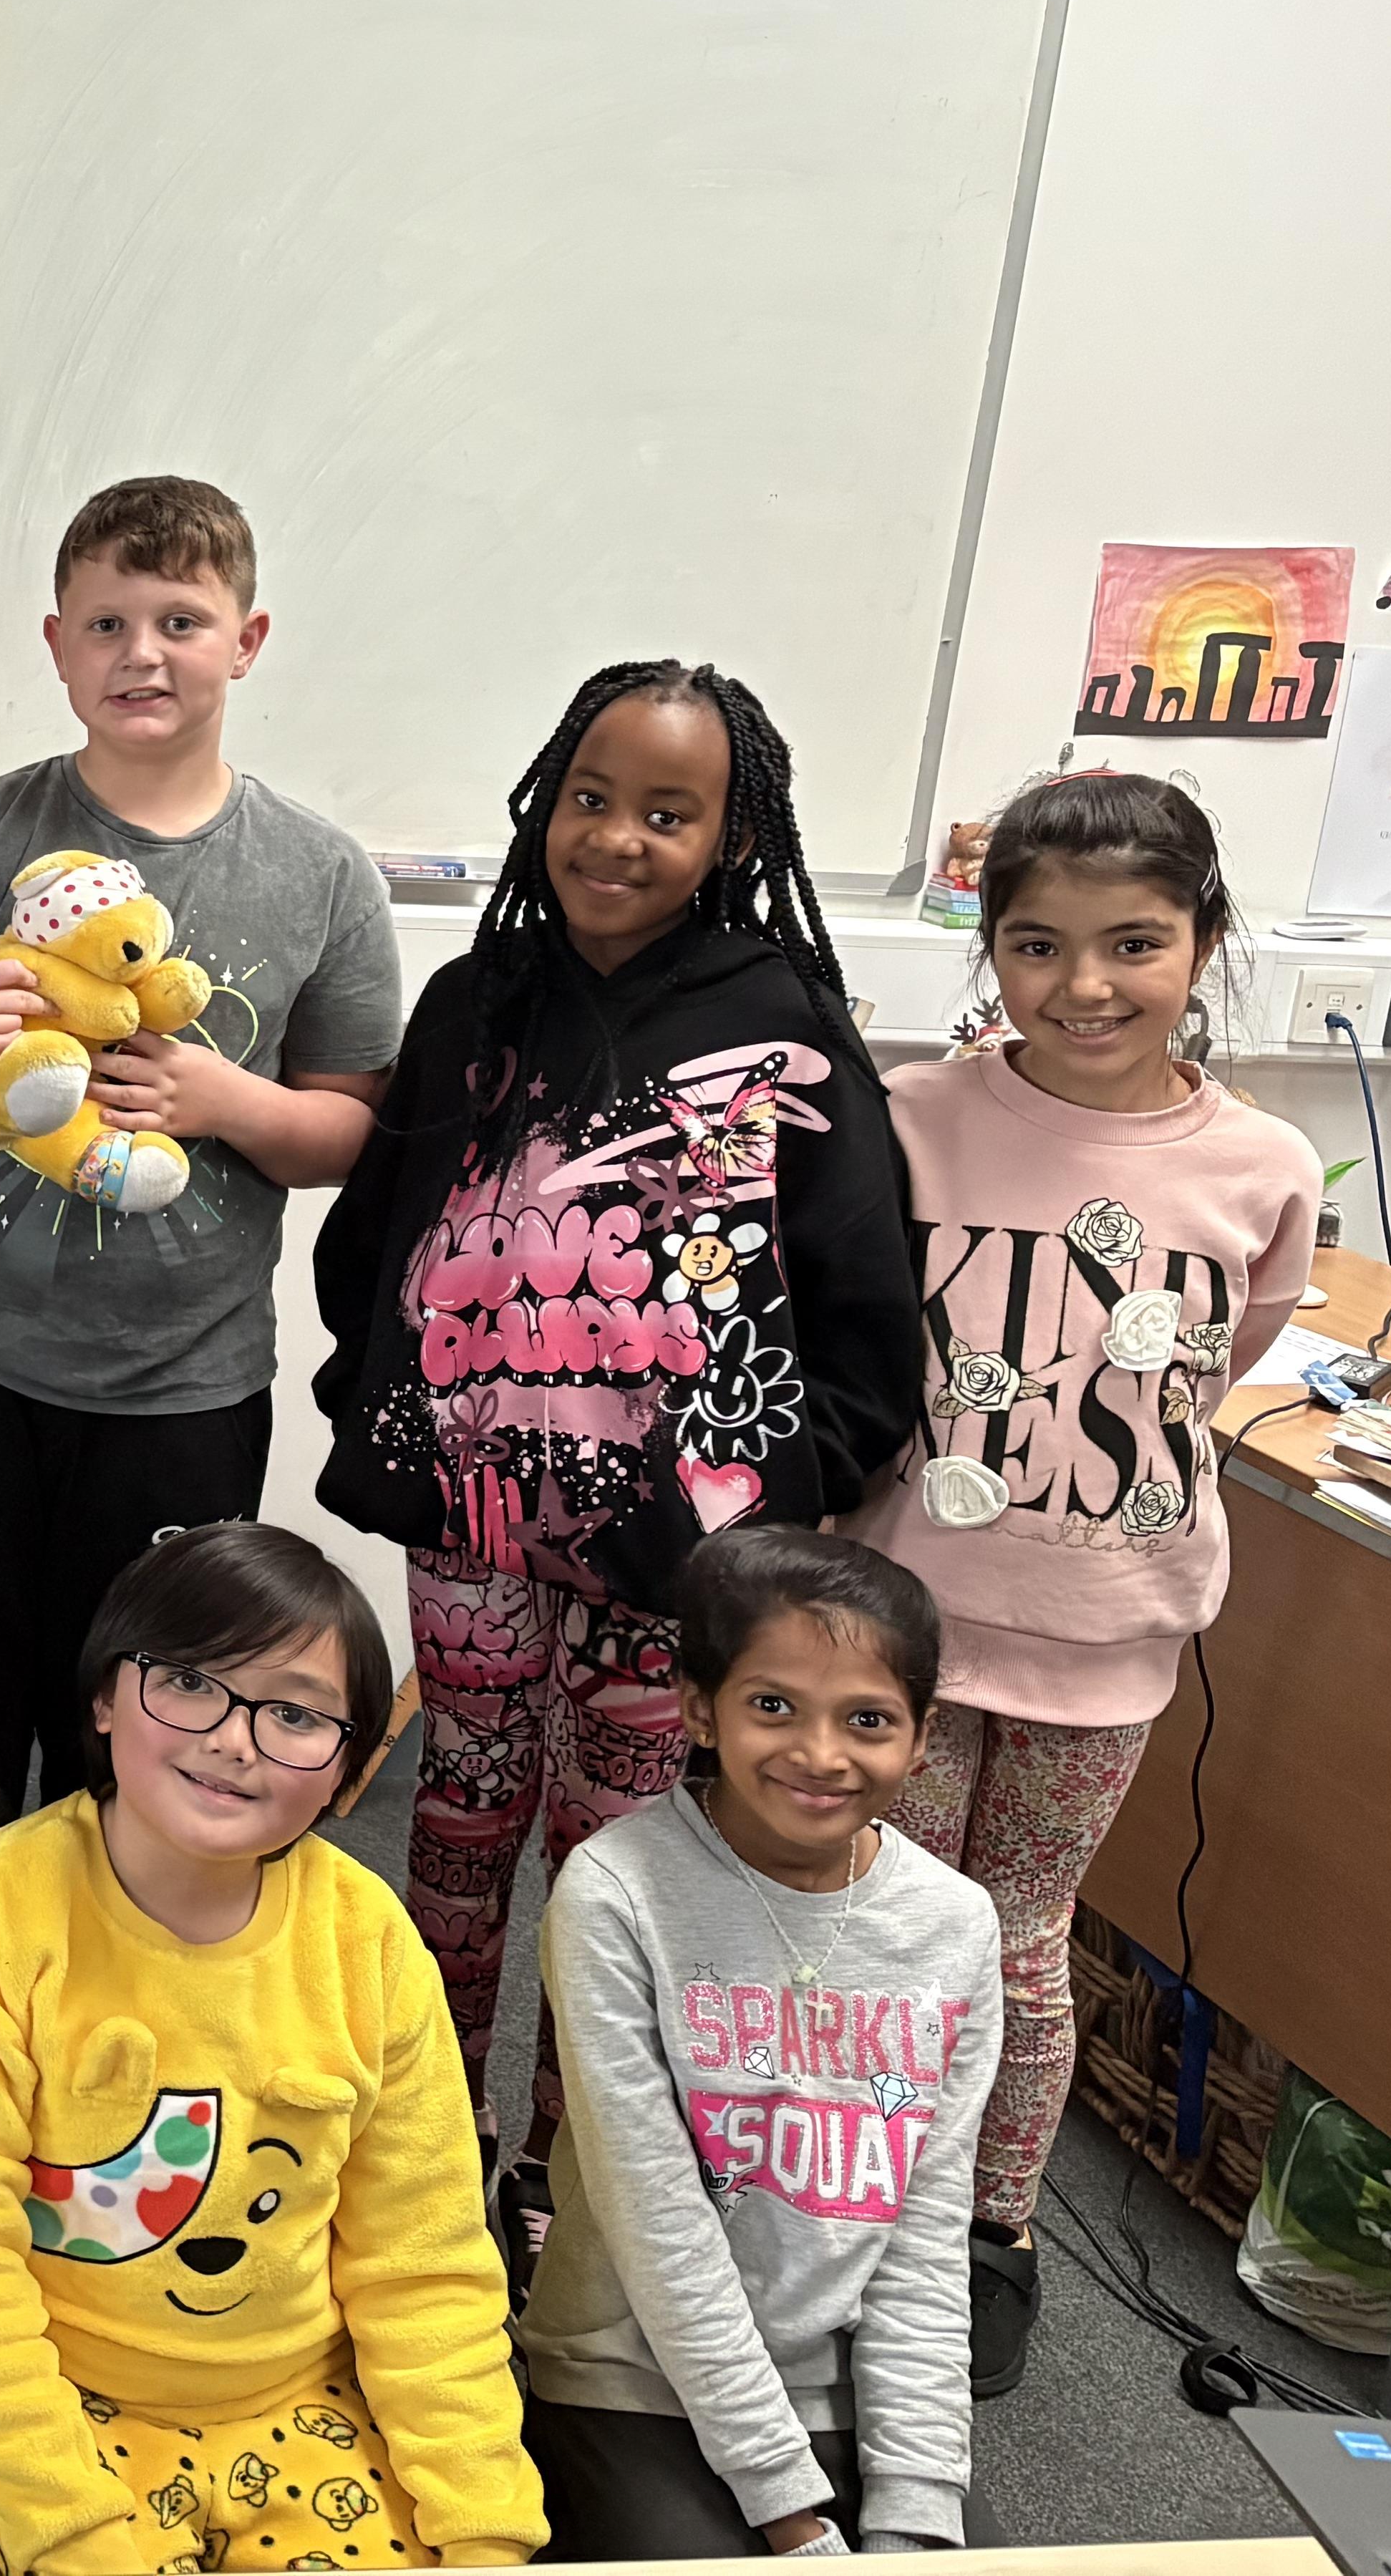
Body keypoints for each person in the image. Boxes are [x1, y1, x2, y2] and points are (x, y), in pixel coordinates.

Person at [310, 659, 920, 2192]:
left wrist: (792, 1492)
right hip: (470, 1526)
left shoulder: (783, 1024)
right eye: (589, 799)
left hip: (680, 1562)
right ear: (546, 805)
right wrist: (374, 1396)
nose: (616, 838)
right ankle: (428, 2156)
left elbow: (859, 1289)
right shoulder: (477, 999)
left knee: (618, 1859)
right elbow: (379, 1226)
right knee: (457, 1815)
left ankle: (577, 2180)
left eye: (666, 813)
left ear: (731, 836)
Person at [0, 475, 404, 1917]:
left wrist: (228, 1103)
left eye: (181, 621)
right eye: (106, 624)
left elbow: (353, 1128)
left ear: (246, 641)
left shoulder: (321, 874)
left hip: (179, 1389)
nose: (142, 653)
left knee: (150, 1733)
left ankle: (105, 2010)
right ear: (56, 645)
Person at [842, 768, 1319, 2396]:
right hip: (906, 1624)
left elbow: (1222, 1362)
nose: (1086, 986)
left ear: (1204, 945)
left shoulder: (1261, 1165)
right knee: (890, 1934)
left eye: (1135, 944)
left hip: (1104, 1635)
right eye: (1038, 945)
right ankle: (864, 2218)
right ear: (991, 949)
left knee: (1020, 1945)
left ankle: (993, 2234)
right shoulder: (914, 1117)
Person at [0, 1522, 543, 2575]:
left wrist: (482, 2523)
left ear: (347, 1766)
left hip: (298, 2397)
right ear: (106, 1698)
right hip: (56, 2391)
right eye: (191, 1683)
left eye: (295, 1713)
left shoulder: (368, 1939)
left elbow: (424, 2264)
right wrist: (71, 2527)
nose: (235, 1739)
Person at [521, 1529, 999, 2562]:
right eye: (773, 1705)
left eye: (868, 1719)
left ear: (922, 1738)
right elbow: (659, 2223)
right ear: (701, 1710)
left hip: (843, 2389)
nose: (820, 1755)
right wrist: (793, 2519)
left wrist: (916, 2505)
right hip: (630, 2376)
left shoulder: (956, 1925)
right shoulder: (615, 1894)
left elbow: (926, 2230)